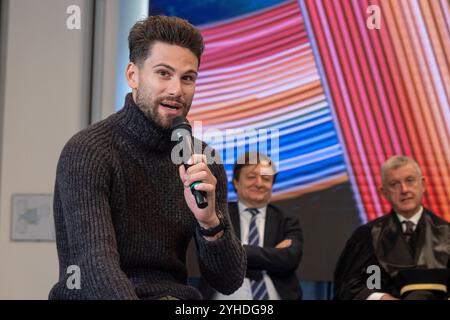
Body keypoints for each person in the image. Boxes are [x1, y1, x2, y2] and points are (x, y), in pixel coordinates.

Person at [49, 15, 246, 300]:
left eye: (187, 78)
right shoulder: (88, 151)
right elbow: (96, 269)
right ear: (133, 75)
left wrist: (210, 222)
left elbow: (228, 281)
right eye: (164, 73)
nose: (176, 90)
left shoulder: (203, 160)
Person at [334, 155, 450, 300]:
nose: (404, 190)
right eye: (394, 184)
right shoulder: (367, 236)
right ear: (384, 193)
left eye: (410, 180)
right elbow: (348, 287)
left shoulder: (447, 234)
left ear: (423, 184)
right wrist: (380, 297)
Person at [200, 152, 303, 300]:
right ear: (236, 182)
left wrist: (233, 249)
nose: (259, 183)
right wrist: (271, 254)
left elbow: (289, 260)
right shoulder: (216, 215)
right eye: (251, 177)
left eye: (266, 178)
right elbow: (212, 257)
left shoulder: (286, 220)